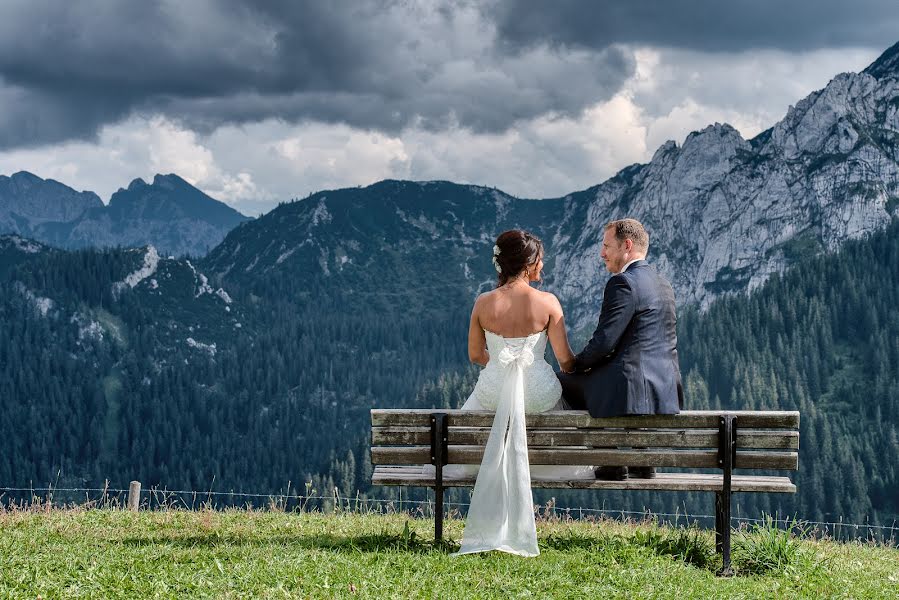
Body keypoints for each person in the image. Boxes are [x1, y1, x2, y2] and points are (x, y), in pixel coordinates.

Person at [450, 229, 592, 557]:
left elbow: (475, 355)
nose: (544, 264)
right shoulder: (548, 303)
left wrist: (501, 367)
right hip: (538, 395)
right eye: (540, 259)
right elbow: (566, 361)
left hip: (494, 392)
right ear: (528, 264)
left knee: (483, 402)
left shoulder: (484, 303)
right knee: (550, 396)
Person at [557, 218, 683, 481]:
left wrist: (575, 365)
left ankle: (609, 456)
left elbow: (604, 343)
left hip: (630, 386)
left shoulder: (623, 282)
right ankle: (642, 456)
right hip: (665, 388)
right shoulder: (664, 284)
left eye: (606, 246)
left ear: (626, 246)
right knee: (608, 377)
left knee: (562, 382)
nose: (602, 253)